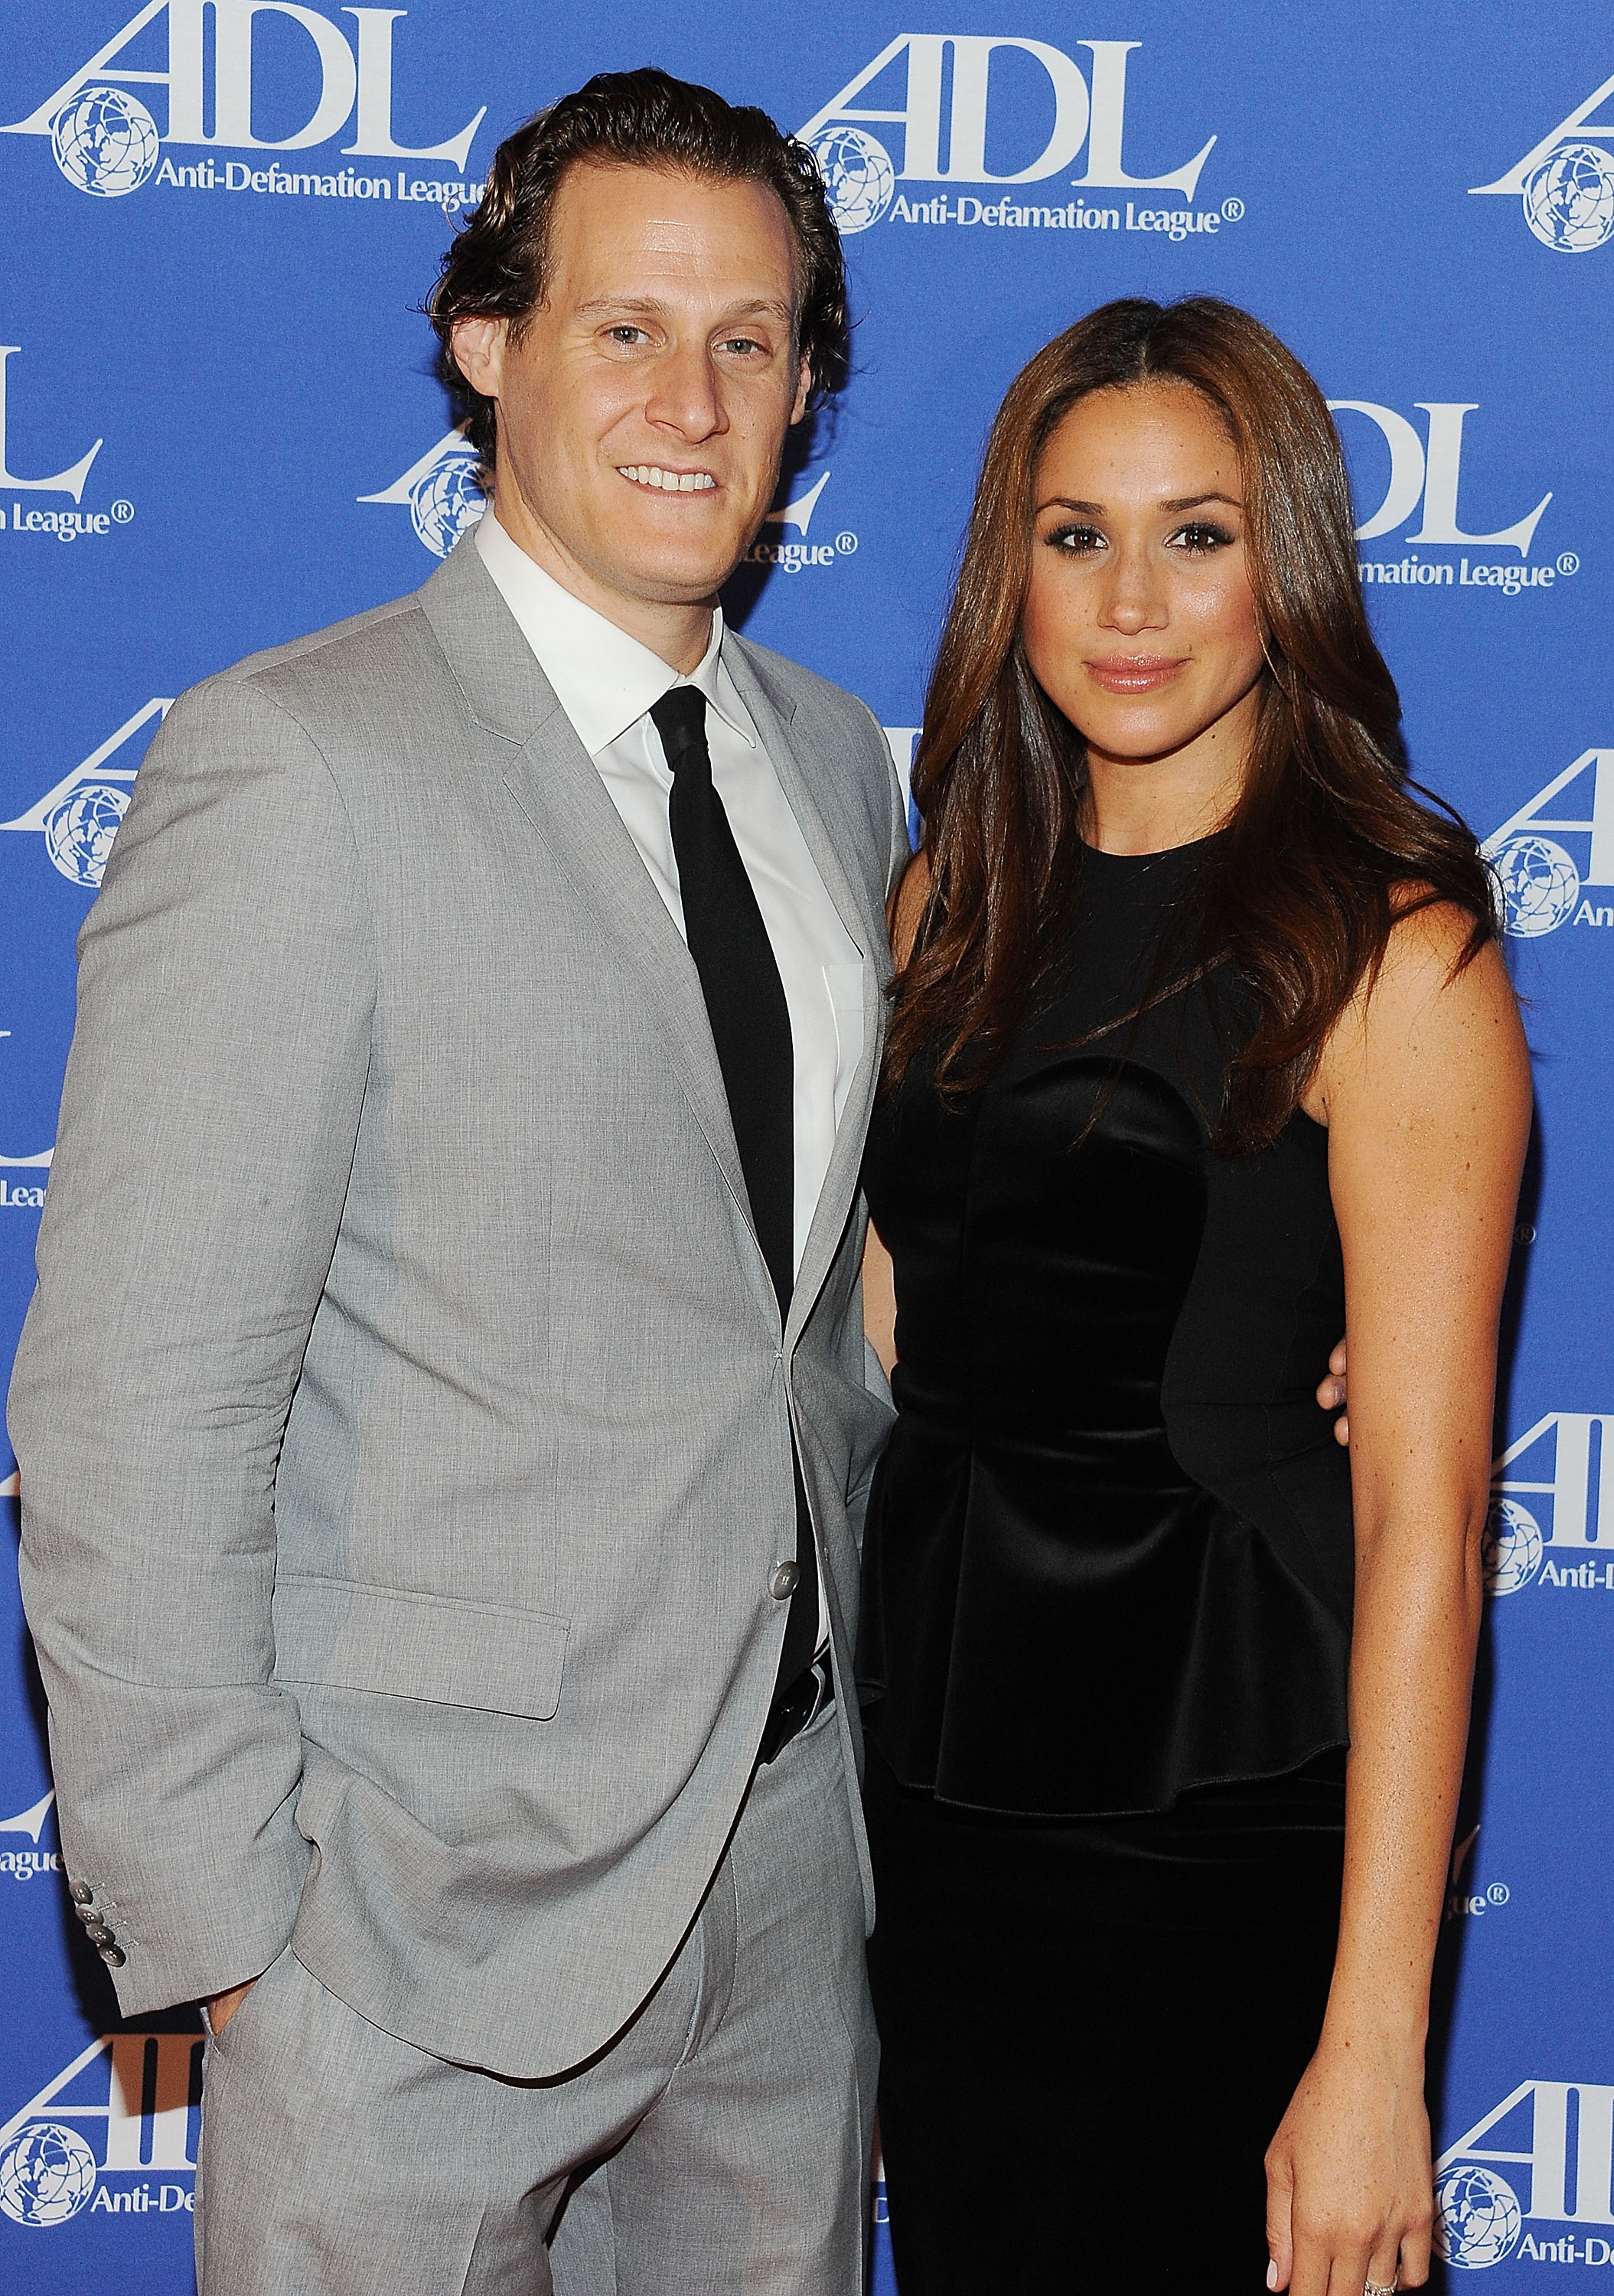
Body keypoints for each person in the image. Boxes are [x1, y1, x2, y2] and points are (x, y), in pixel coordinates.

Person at [10, 70, 911, 2296]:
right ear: (486, 344)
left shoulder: (831, 761)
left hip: (788, 1879)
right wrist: (217, 1920)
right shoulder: (295, 764)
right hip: (405, 1918)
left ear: (807, 384)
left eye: (753, 339)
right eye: (626, 328)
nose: (696, 400)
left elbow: (819, 1297)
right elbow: (135, 1400)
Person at [857, 297, 1531, 2296]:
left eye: (1199, 533)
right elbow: (890, 1337)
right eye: (1076, 536)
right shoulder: (942, 908)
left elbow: (1425, 1533)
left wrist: (1375, 2052)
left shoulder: (1392, 953)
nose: (1131, 601)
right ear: (1013, 566)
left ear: (1288, 565)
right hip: (943, 1789)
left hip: (1226, 1803)